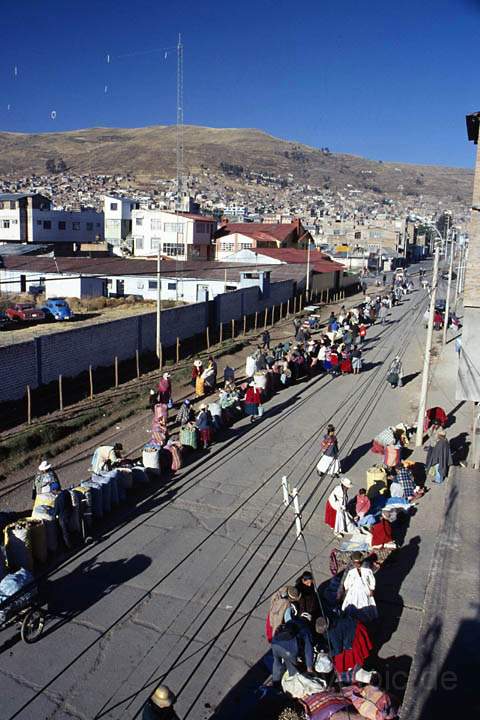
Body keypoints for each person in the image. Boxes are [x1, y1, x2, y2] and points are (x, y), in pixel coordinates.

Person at [271, 617, 315, 687]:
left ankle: (275, 684)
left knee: (276, 663)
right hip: (289, 649)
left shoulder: (291, 621)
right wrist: (309, 667)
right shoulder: (306, 629)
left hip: (275, 643)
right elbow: (308, 650)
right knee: (293, 672)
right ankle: (291, 689)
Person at [341, 552, 378, 621]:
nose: (356, 565)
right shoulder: (351, 571)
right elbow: (347, 581)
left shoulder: (367, 570)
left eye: (358, 563)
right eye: (355, 563)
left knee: (365, 604)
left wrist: (372, 589)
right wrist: (346, 589)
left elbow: (371, 579)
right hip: (353, 590)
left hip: (365, 590)